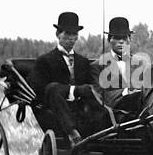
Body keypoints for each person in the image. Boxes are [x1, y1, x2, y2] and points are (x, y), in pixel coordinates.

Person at [29, 12, 104, 142]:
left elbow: (90, 88)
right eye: (67, 34)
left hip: (81, 111)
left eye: (74, 34)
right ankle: (72, 132)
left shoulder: (83, 62)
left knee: (94, 93)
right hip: (55, 111)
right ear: (58, 35)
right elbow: (40, 91)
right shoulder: (45, 61)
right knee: (52, 88)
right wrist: (73, 91)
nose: (71, 38)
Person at [94, 16, 145, 121]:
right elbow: (98, 96)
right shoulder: (98, 66)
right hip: (112, 115)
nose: (121, 41)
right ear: (109, 40)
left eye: (124, 38)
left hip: (140, 113)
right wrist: (125, 92)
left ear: (129, 39)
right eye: (117, 38)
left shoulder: (139, 64)